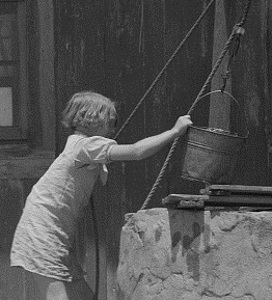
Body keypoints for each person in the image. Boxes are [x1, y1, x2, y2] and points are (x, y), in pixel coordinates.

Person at [10, 91, 193, 300]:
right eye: (111, 121)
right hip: (43, 234)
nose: (113, 127)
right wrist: (174, 131)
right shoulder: (86, 146)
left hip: (53, 233)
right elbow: (136, 151)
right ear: (92, 120)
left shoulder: (80, 145)